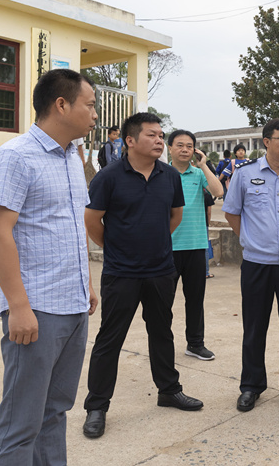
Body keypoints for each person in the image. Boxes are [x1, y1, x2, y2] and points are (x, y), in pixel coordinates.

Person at [0, 68, 99, 465]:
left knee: (55, 412)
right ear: (61, 104)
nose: (96, 114)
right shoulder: (14, 157)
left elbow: (72, 223)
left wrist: (86, 281)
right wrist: (17, 306)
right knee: (22, 422)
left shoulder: (72, 159)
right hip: (36, 310)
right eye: (90, 105)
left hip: (73, 304)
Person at [82, 112, 202, 439]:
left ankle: (168, 390)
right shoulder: (108, 177)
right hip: (121, 273)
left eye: (161, 135)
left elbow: (174, 216)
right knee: (110, 338)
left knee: (162, 332)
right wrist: (118, 247)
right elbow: (92, 221)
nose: (160, 141)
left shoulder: (169, 176)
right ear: (130, 140)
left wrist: (157, 242)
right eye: (152, 135)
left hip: (162, 270)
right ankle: (97, 406)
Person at [222, 118, 279, 412]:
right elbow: (232, 213)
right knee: (254, 327)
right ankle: (251, 385)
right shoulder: (245, 174)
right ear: (266, 142)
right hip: (257, 264)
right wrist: (253, 239)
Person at [167, 129, 223, 361]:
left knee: (195, 299)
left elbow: (218, 191)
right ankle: (162, 344)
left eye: (189, 146)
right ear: (169, 148)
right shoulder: (162, 174)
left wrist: (204, 165)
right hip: (167, 248)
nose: (184, 150)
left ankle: (195, 344)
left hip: (196, 246)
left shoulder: (198, 174)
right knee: (162, 302)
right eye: (179, 145)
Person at [204, 191, 215, 279]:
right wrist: (208, 223)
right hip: (203, 224)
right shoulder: (207, 194)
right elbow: (209, 212)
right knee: (205, 248)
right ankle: (206, 272)